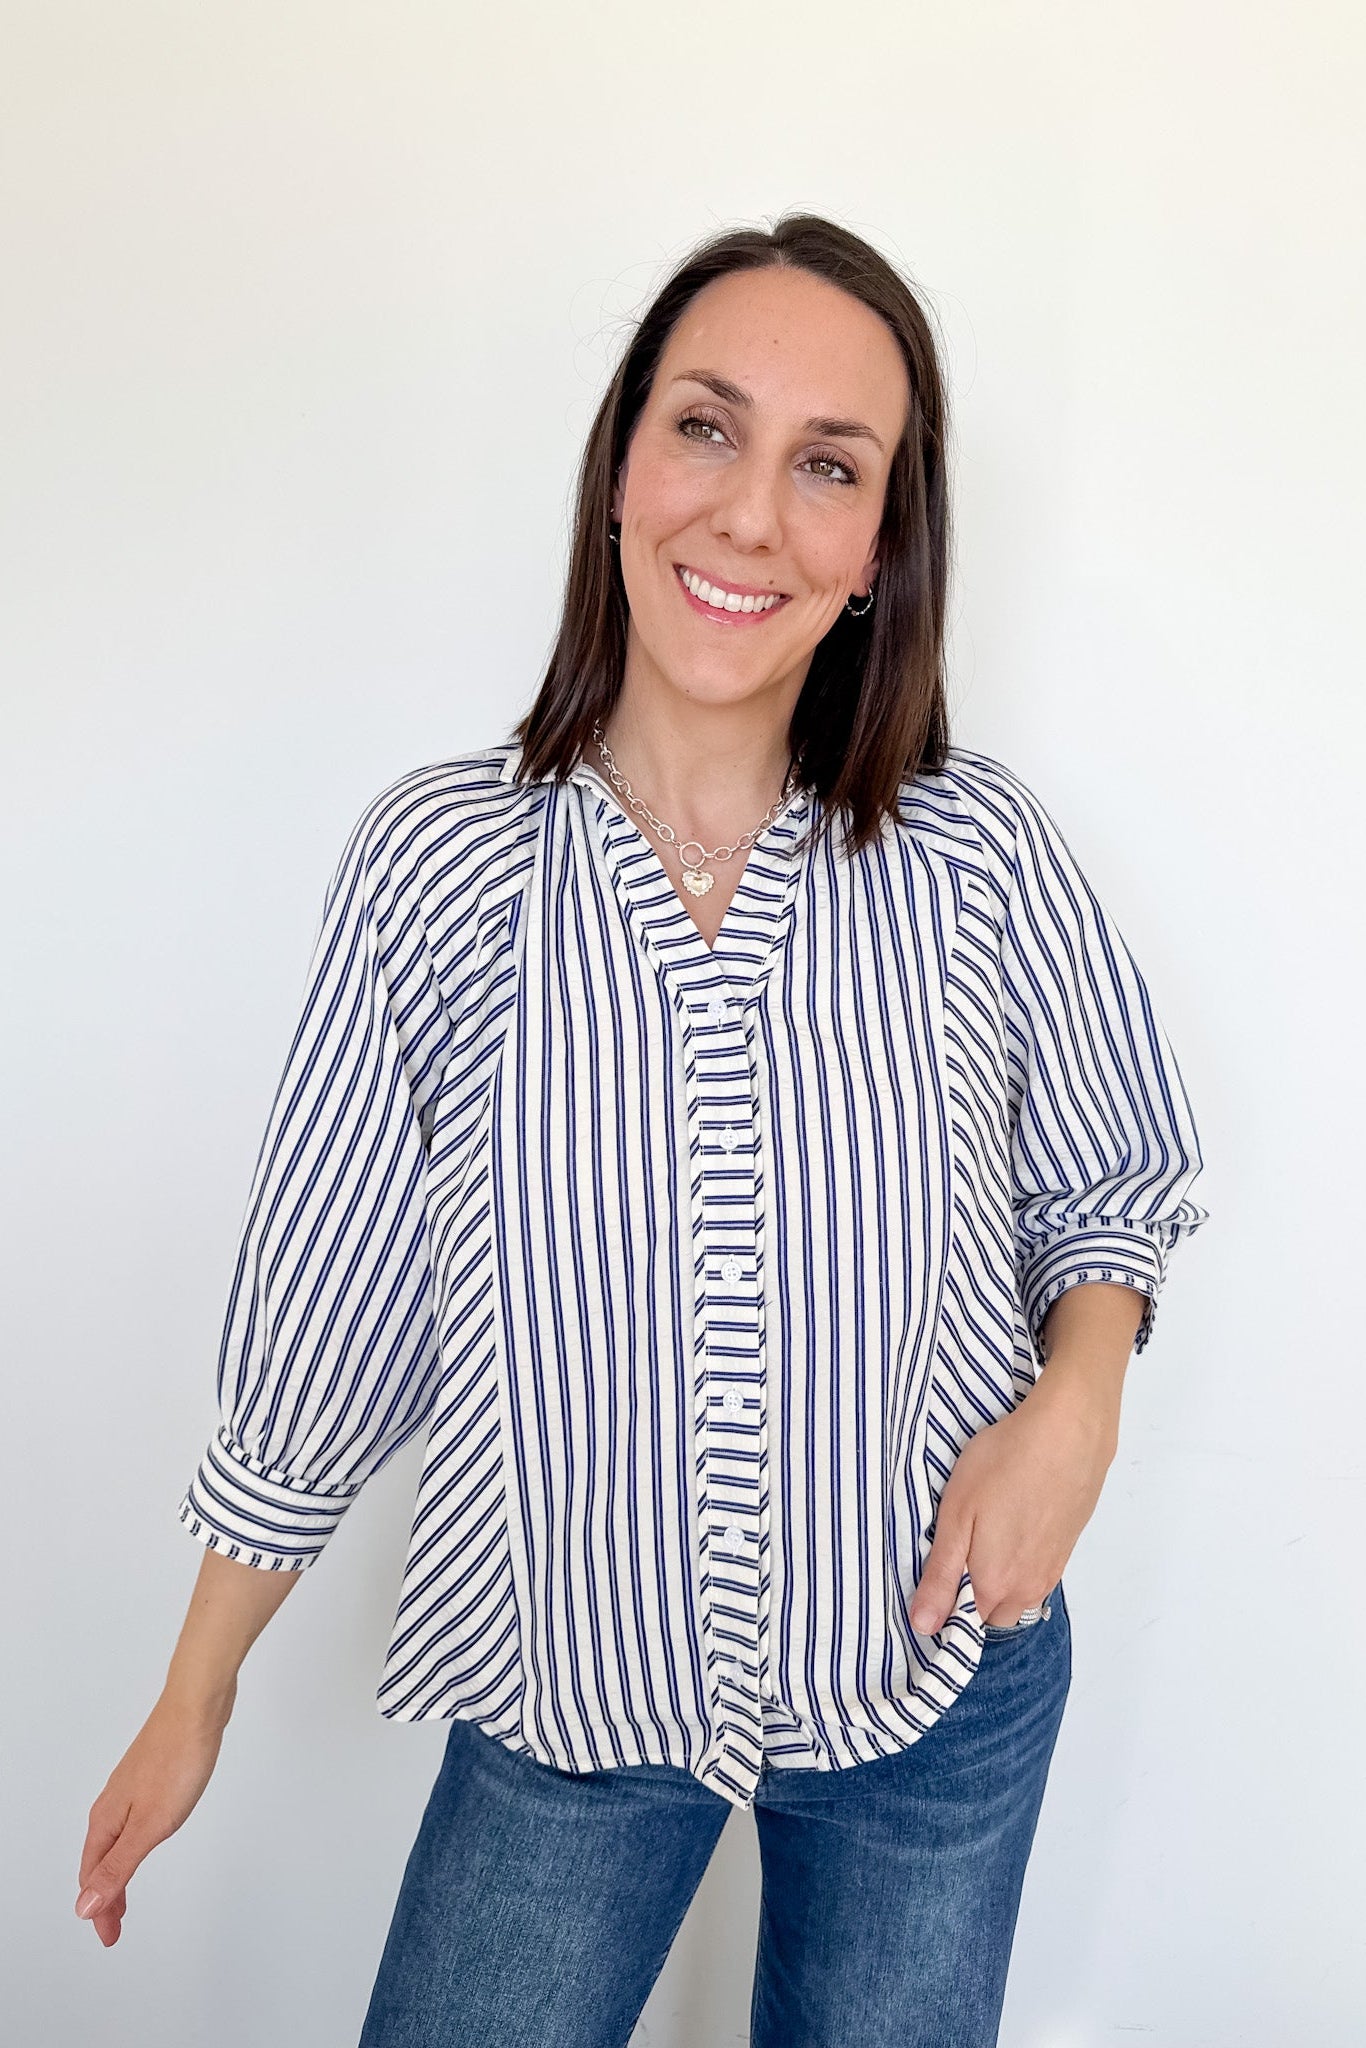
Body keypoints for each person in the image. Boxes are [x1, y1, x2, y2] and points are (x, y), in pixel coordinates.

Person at [76, 213, 1209, 2047]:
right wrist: (195, 1689)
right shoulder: (434, 866)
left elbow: (1113, 1174)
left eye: (826, 466)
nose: (750, 513)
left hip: (938, 1671)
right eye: (706, 427)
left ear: (875, 553)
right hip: (573, 1685)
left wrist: (1073, 1407)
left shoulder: (974, 849)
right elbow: (331, 1309)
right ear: (620, 467)